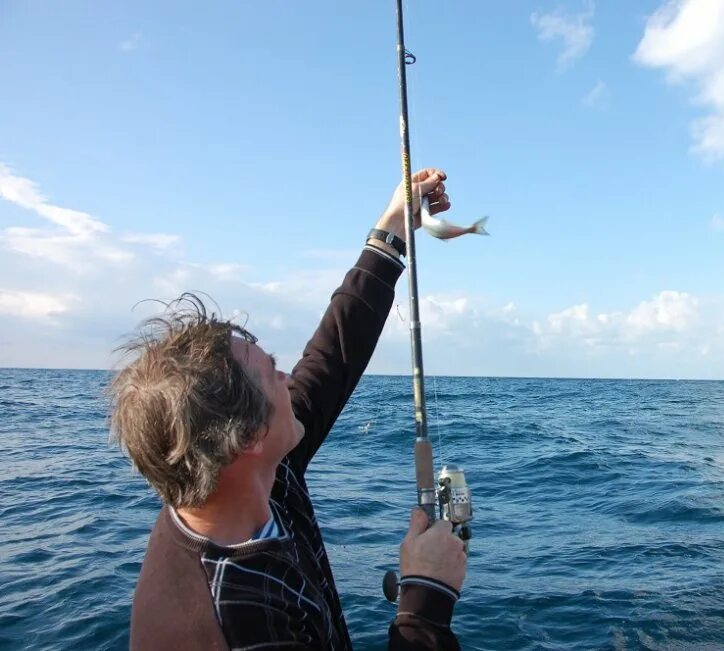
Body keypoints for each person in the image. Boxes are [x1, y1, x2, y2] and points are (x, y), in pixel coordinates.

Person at [109, 169, 467, 650]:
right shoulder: (229, 626)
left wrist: (395, 225)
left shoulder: (248, 478)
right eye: (273, 372)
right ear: (248, 437)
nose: (288, 380)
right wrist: (426, 600)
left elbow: (332, 356)